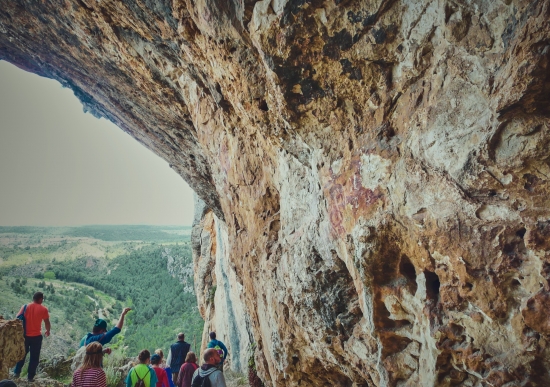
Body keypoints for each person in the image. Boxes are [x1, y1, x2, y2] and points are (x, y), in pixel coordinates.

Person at [13, 292, 51, 382]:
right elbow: (47, 322)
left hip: (24, 336)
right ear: (41, 299)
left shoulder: (25, 307)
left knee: (21, 355)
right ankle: (30, 377)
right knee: (34, 358)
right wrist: (48, 330)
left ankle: (16, 373)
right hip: (36, 337)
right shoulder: (43, 309)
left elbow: (17, 319)